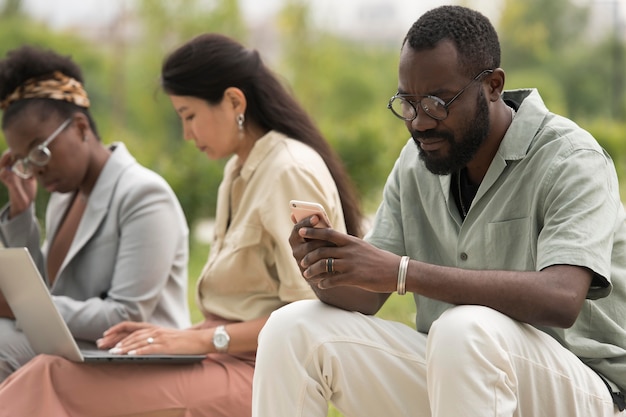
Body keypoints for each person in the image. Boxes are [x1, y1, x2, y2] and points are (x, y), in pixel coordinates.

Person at [251, 5, 626, 417]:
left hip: (586, 389)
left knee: (462, 328)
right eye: (407, 103)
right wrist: (325, 266)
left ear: (493, 86)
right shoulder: (416, 163)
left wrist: (402, 272)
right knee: (292, 329)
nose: (419, 123)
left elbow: (561, 298)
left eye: (436, 102)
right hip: (462, 374)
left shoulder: (570, 159)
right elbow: (367, 296)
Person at [0, 33, 363, 417]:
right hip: (219, 356)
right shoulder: (239, 170)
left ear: (234, 101)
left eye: (189, 116)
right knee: (49, 370)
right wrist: (176, 336)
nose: (187, 134)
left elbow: (306, 318)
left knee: (50, 377)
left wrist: (201, 338)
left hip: (265, 375)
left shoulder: (287, 169)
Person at [0, 46, 191, 382]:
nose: (36, 171)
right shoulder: (65, 199)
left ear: (80, 128)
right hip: (79, 349)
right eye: (24, 161)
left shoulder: (144, 194)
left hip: (140, 360)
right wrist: (22, 213)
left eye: (40, 151)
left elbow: (126, 313)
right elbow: (46, 294)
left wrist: (21, 307)